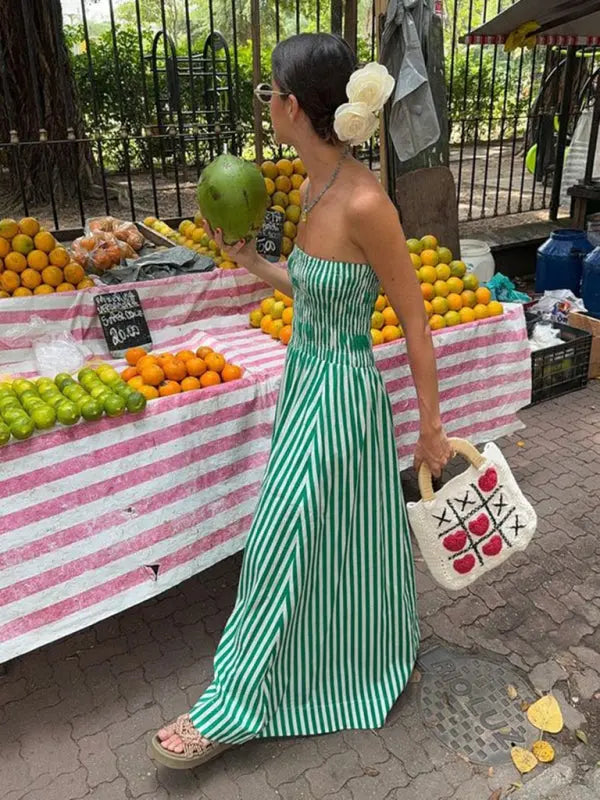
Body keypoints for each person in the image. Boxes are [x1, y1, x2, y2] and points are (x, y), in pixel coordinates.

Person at [151, 32, 451, 769]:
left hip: (341, 401)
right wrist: (253, 263)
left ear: (292, 106)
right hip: (303, 388)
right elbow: (315, 290)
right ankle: (359, 659)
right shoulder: (311, 184)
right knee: (340, 544)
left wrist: (433, 430)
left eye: (268, 92)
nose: (265, 104)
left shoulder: (366, 202)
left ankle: (231, 707)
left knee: (280, 543)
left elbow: (414, 319)